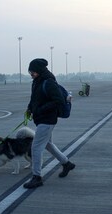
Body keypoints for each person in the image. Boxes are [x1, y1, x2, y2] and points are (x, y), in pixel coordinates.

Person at [23, 58, 75, 189]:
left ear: (39, 70)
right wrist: (30, 108)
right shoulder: (36, 82)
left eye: (33, 71)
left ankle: (37, 177)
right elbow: (34, 98)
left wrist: (41, 109)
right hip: (40, 118)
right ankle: (66, 163)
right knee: (47, 144)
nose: (31, 74)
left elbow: (59, 101)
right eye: (30, 71)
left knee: (36, 147)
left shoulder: (49, 82)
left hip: (47, 120)